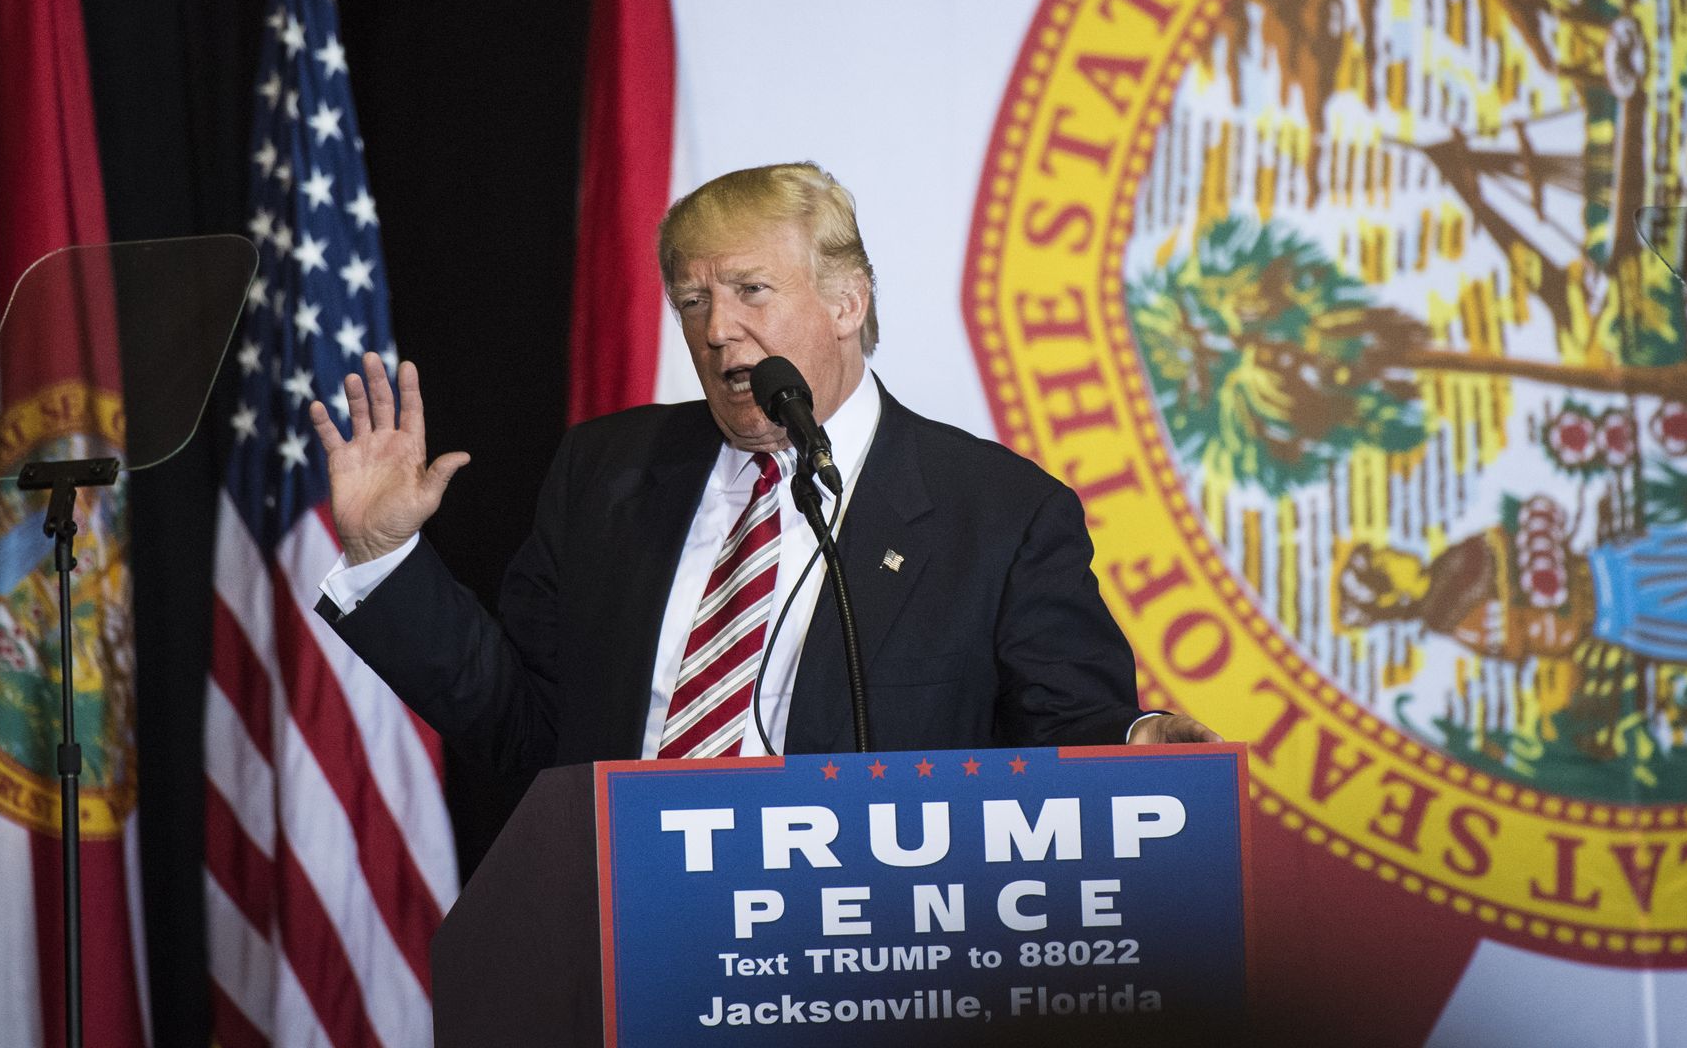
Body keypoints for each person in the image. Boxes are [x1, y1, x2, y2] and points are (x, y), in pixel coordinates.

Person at [309, 162, 1215, 776]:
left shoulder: (1001, 512)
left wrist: (1136, 744)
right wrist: (387, 557)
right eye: (693, 300)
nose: (715, 329)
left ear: (846, 303)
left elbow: (1065, 735)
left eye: (751, 291)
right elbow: (523, 726)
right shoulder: (607, 471)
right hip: (635, 938)